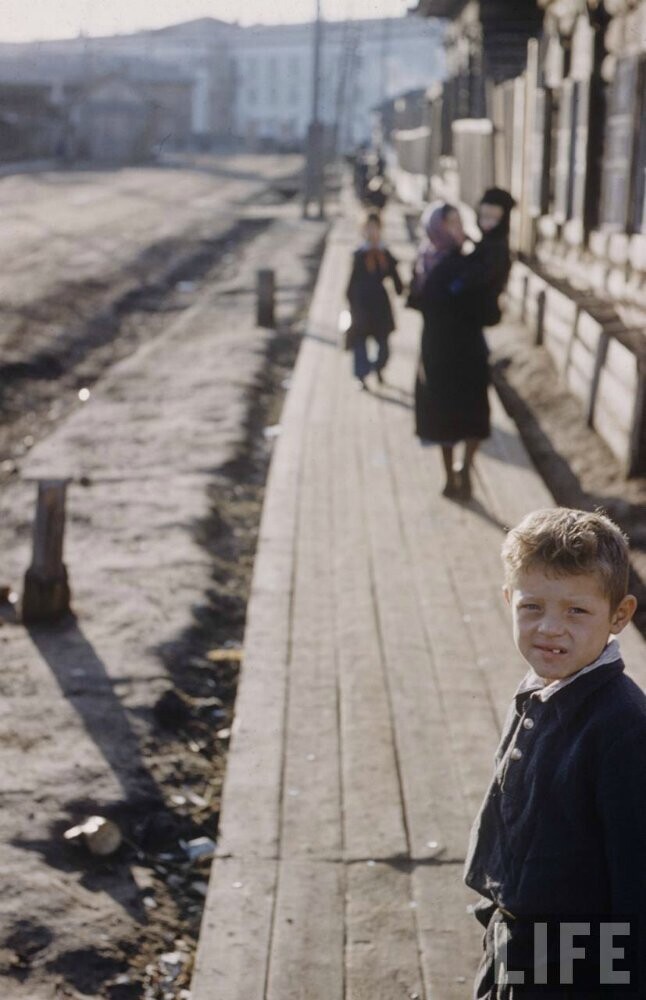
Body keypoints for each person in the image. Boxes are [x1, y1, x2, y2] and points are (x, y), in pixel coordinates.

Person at [464, 507, 645, 999]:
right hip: (518, 939)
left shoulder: (624, 729)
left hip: (575, 960)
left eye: (576, 611)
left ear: (619, 616)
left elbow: (637, 880)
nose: (549, 628)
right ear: (509, 600)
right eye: (531, 607)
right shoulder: (539, 691)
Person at [411, 203, 491, 498]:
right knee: (442, 416)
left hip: (467, 347)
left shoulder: (468, 261)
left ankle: (466, 467)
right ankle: (449, 475)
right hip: (438, 349)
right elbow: (415, 299)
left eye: (460, 222)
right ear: (437, 228)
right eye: (452, 224)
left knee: (474, 415)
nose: (458, 229)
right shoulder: (424, 260)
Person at [346, 211, 403, 390]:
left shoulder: (384, 253)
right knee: (360, 343)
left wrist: (401, 288)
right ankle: (362, 376)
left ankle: (378, 367)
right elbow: (351, 282)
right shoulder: (359, 255)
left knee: (384, 345)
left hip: (380, 303)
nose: (372, 232)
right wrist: (351, 304)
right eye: (368, 228)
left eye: (375, 228)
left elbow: (394, 275)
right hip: (362, 304)